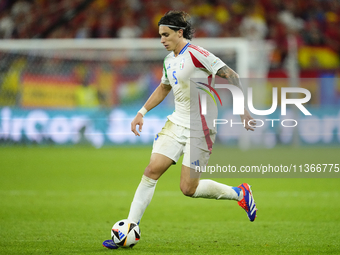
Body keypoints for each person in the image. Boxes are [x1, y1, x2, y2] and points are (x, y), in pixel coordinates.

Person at [103, 10, 257, 249]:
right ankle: (131, 226)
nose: (162, 40)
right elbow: (164, 88)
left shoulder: (197, 54)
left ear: (179, 32)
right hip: (177, 122)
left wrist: (242, 109)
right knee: (152, 170)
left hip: (202, 127)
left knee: (188, 188)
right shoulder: (169, 60)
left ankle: (240, 193)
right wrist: (141, 112)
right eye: (160, 35)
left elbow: (232, 75)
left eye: (166, 35)